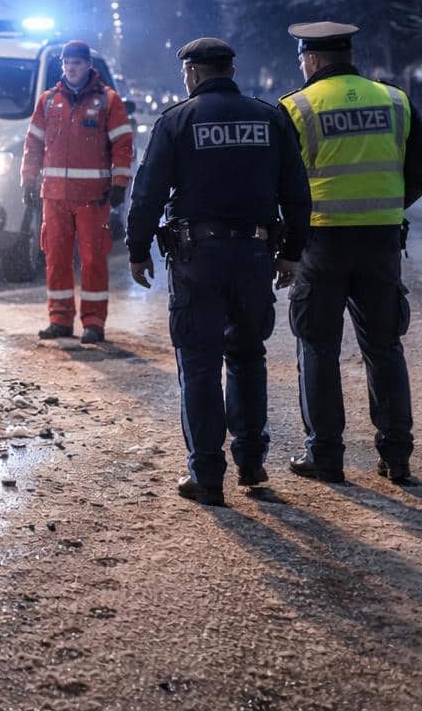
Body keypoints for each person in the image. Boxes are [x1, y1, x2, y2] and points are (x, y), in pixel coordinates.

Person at [126, 37, 311, 507]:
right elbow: (296, 192)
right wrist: (291, 252)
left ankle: (207, 475)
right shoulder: (269, 118)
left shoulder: (177, 120)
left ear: (192, 73)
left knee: (200, 364)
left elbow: (148, 193)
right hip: (254, 255)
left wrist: (138, 249)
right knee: (248, 357)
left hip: (197, 259)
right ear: (230, 70)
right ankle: (251, 463)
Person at [279, 22, 422, 485]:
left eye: (302, 59)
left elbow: (282, 183)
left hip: (322, 243)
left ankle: (326, 456)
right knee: (384, 347)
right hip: (380, 242)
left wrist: (288, 239)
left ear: (312, 60)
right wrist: (386, 207)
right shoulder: (395, 100)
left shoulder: (297, 107)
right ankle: (397, 455)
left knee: (318, 347)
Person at [20, 40, 133, 344]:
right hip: (54, 197)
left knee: (93, 260)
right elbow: (33, 145)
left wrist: (119, 183)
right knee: (56, 258)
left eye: (77, 63)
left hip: (92, 198)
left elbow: (123, 145)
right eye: (67, 62)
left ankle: (94, 322)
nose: (71, 68)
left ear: (88, 65)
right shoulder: (48, 101)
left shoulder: (107, 101)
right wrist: (28, 180)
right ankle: (59, 319)